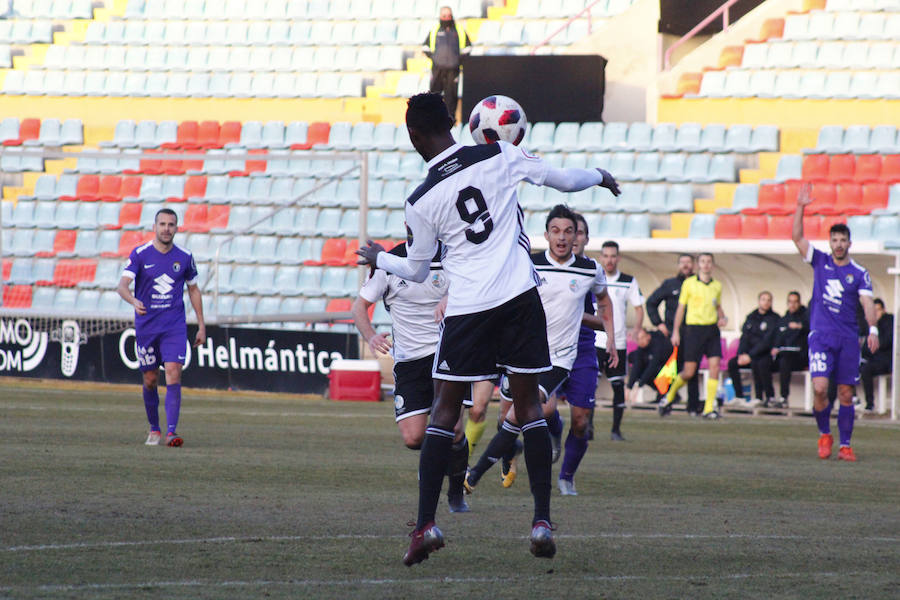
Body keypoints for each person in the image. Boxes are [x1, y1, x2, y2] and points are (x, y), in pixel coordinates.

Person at [356, 92, 620, 565]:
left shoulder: (419, 198)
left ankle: (425, 527)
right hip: (519, 300)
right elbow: (564, 179)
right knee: (527, 408)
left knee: (442, 412)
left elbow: (416, 270)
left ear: (414, 135)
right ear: (456, 124)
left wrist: (380, 257)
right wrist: (600, 177)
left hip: (469, 309)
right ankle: (541, 521)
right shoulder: (499, 152)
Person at [464, 205, 615, 498]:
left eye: (568, 231)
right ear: (546, 235)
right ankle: (514, 449)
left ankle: (474, 474)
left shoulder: (589, 270)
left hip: (559, 358)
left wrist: (611, 336)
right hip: (523, 354)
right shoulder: (528, 264)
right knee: (507, 417)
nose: (562, 237)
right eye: (555, 231)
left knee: (522, 412)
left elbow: (604, 300)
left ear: (577, 237)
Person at [350, 241, 471, 513]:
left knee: (454, 430)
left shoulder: (453, 256)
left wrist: (452, 298)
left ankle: (455, 493)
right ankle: (434, 461)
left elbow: (476, 287)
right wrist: (370, 336)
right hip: (409, 362)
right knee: (413, 438)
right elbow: (359, 308)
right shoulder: (389, 262)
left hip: (448, 354)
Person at [792, 183, 879, 462]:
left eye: (843, 240)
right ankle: (824, 434)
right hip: (821, 336)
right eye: (835, 240)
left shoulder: (860, 273)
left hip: (848, 339)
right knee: (819, 388)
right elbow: (797, 238)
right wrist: (801, 207)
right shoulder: (819, 261)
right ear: (830, 243)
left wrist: (873, 329)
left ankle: (845, 445)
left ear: (849, 244)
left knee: (845, 392)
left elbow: (867, 303)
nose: (838, 245)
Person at [117, 208, 205, 447]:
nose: (167, 228)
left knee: (174, 371)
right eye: (163, 224)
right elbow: (122, 285)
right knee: (150, 379)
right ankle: (154, 429)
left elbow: (194, 290)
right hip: (147, 327)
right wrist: (133, 300)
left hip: (174, 326)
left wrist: (201, 325)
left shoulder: (185, 257)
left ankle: (172, 432)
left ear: (177, 228)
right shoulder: (141, 254)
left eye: (171, 224)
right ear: (155, 226)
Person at [659, 252, 728, 419]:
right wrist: (676, 331)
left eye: (708, 262)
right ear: (698, 265)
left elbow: (717, 307)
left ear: (712, 265)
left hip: (711, 331)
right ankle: (668, 397)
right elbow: (681, 309)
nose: (705, 264)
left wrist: (723, 318)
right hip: (693, 331)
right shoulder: (689, 284)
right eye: (702, 261)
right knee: (689, 372)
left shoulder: (717, 286)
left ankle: (709, 408)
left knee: (714, 367)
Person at [594, 240, 644, 441]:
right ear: (601, 257)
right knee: (590, 386)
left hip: (619, 343)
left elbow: (639, 308)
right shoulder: (594, 278)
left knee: (617, 387)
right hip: (596, 341)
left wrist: (637, 328)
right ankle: (586, 427)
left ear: (619, 258)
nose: (609, 260)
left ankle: (615, 430)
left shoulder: (628, 281)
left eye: (613, 256)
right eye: (606, 256)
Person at [646, 254, 701, 413]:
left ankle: (693, 407)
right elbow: (651, 303)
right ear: (678, 265)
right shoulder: (670, 284)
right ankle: (667, 400)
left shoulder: (699, 285)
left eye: (689, 262)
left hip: (692, 334)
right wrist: (659, 324)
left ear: (694, 265)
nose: (686, 266)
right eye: (682, 263)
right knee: (667, 369)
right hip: (671, 335)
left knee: (691, 370)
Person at [726, 291, 779, 407]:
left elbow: (767, 341)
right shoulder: (751, 317)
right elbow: (744, 337)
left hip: (764, 355)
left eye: (768, 300)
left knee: (759, 363)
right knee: (732, 363)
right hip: (748, 356)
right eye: (763, 299)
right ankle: (739, 396)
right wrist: (741, 354)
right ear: (759, 301)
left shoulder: (774, 319)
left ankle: (762, 397)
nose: (766, 302)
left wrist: (750, 355)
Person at [422, 6, 472, 122]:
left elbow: (468, 47)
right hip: (437, 69)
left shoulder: (459, 30)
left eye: (449, 16)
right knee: (434, 96)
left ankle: (451, 121)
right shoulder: (435, 30)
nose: (447, 18)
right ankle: (432, 120)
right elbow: (425, 47)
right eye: (444, 16)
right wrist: (434, 58)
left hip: (453, 70)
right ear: (440, 17)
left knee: (451, 96)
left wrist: (458, 60)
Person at [770, 291, 809, 408]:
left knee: (785, 361)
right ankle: (768, 397)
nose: (792, 305)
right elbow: (777, 338)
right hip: (783, 355)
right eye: (790, 302)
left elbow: (812, 331)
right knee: (763, 362)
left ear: (799, 303)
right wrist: (775, 348)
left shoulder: (806, 318)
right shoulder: (783, 320)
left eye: (795, 302)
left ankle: (784, 397)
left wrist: (800, 327)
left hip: (800, 357)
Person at [859, 298, 892, 413]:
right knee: (848, 366)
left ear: (883, 310)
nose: (876, 313)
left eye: (878, 310)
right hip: (872, 358)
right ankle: (853, 399)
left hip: (886, 360)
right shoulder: (870, 324)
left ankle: (870, 404)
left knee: (866, 370)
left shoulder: (889, 322)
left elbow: (885, 342)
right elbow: (866, 347)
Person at [626, 328, 674, 404]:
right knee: (641, 371)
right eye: (638, 339)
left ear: (648, 336)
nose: (640, 341)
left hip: (672, 368)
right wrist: (629, 388)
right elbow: (637, 367)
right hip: (659, 369)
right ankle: (663, 394)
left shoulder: (657, 344)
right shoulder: (641, 348)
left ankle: (667, 394)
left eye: (642, 338)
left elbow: (653, 366)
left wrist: (639, 386)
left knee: (654, 372)